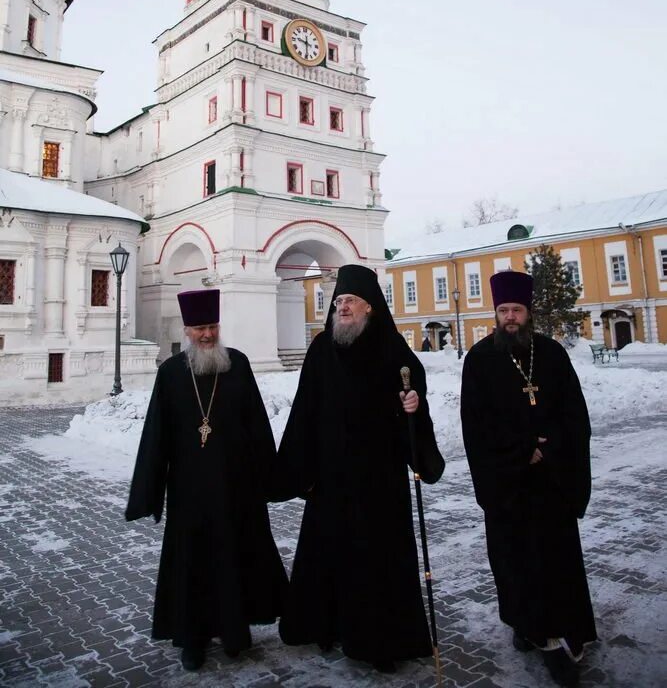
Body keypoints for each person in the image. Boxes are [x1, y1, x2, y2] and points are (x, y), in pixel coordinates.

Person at [274, 264, 445, 673]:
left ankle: (381, 643)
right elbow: (304, 412)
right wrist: (294, 468)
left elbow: (413, 403)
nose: (342, 308)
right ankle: (326, 627)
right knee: (329, 554)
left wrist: (413, 408)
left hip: (378, 481)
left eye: (349, 301)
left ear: (370, 307)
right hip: (331, 478)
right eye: (337, 302)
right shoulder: (321, 349)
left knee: (377, 563)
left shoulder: (395, 353)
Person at [125, 289, 287, 671]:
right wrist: (150, 492)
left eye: (212, 326)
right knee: (192, 565)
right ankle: (192, 639)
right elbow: (156, 436)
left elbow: (258, 427)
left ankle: (234, 632)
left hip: (237, 488)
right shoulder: (170, 373)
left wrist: (273, 479)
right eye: (200, 328)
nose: (207, 335)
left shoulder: (239, 365)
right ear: (187, 330)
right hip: (189, 492)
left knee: (236, 558)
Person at [460, 270, 597, 687]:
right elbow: (475, 426)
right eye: (502, 310)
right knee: (516, 562)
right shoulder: (481, 359)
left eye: (516, 310)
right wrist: (522, 449)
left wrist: (549, 446)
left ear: (529, 312)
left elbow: (575, 413)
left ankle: (561, 633)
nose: (509, 318)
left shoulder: (552, 354)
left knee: (556, 561)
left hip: (551, 481)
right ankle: (532, 630)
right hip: (509, 485)